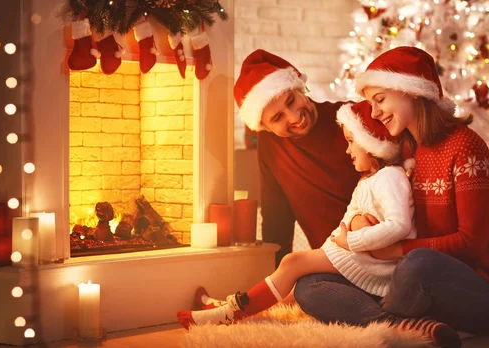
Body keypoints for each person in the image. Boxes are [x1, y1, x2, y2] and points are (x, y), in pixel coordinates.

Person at [178, 101, 461, 347]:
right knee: (302, 286)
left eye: (352, 141)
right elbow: (347, 222)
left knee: (292, 263)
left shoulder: (389, 177)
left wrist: (353, 240)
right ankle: (234, 307)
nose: (347, 149)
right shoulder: (371, 179)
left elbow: (399, 226)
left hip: (374, 264)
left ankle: (227, 312)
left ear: (372, 143)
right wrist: (350, 230)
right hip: (355, 256)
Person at [293, 46, 489, 336]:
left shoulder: (466, 147)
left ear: (414, 91)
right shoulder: (405, 148)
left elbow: (471, 243)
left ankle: (388, 320)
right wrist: (357, 225)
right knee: (309, 284)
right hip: (408, 280)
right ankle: (406, 326)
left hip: (471, 288)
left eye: (380, 100)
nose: (375, 112)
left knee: (417, 264)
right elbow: (373, 198)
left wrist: (393, 250)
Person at [233, 49, 360, 266]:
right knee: (305, 289)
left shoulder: (350, 117)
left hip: (378, 253)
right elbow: (276, 218)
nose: (294, 117)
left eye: (291, 101)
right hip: (331, 263)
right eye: (277, 117)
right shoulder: (271, 145)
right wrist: (277, 278)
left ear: (300, 88)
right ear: (265, 127)